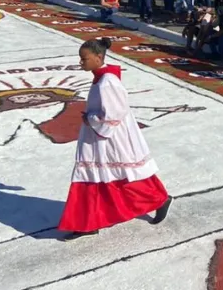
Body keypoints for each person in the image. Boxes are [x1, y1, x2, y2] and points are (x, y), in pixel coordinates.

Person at [58, 38, 172, 239]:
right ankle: (88, 222)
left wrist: (90, 119)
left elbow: (114, 114)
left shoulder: (107, 83)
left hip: (110, 138)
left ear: (98, 57)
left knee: (122, 176)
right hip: (99, 135)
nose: (81, 62)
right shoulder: (102, 78)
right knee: (96, 177)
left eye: (84, 59)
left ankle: (159, 199)